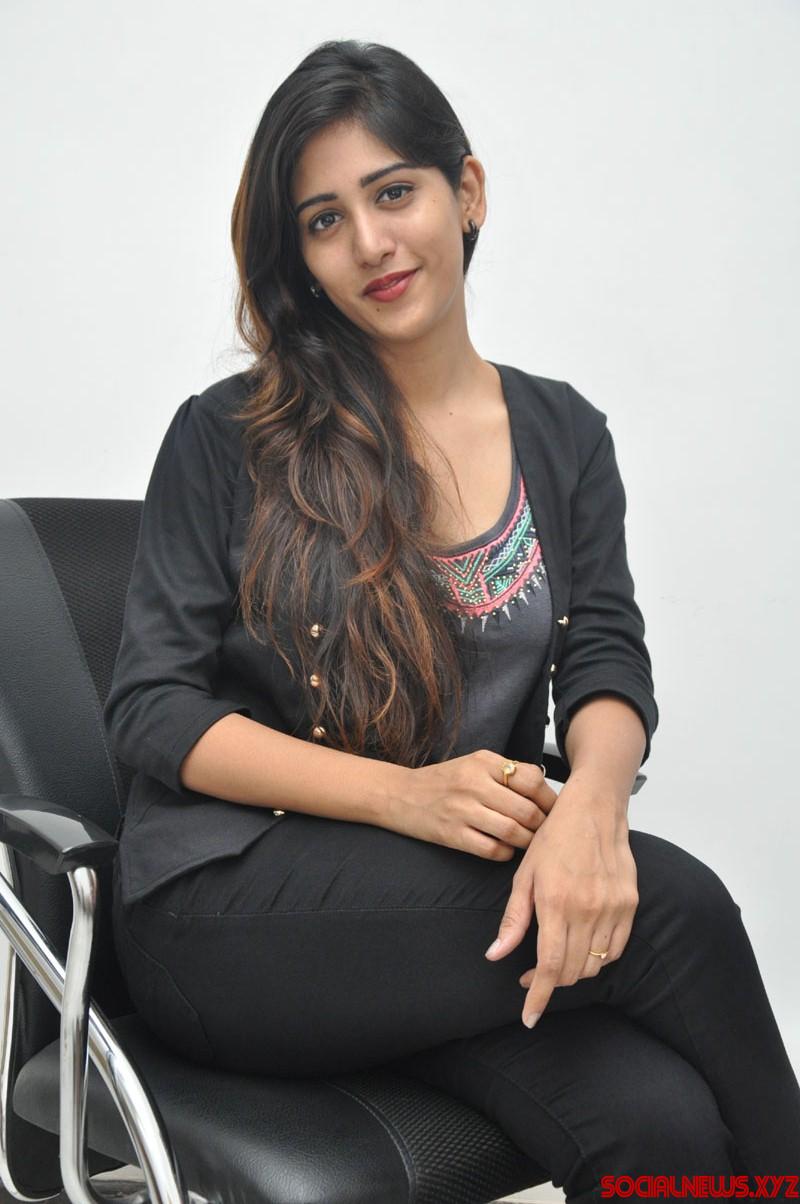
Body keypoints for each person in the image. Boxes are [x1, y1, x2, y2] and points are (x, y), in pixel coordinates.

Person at [105, 38, 800, 1198]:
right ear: (299, 255)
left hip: (427, 925)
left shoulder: (562, 432)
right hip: (226, 919)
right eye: (324, 220)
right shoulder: (228, 436)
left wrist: (589, 810)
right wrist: (406, 795)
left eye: (393, 193)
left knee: (662, 1128)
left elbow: (604, 654)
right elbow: (151, 710)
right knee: (672, 909)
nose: (369, 243)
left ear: (464, 190)